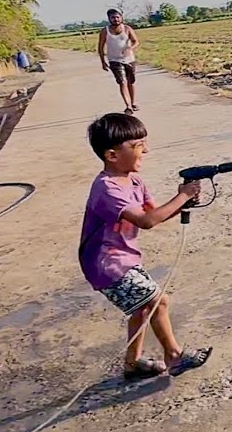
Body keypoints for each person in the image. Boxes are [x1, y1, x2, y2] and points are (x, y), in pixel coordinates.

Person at [80, 113, 212, 378]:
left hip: (124, 258)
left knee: (141, 309)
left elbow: (154, 214)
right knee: (158, 302)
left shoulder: (134, 181)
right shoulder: (107, 189)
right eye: (138, 145)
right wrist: (182, 196)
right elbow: (147, 221)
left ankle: (133, 364)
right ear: (112, 155)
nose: (146, 150)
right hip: (106, 264)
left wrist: (183, 203)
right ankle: (174, 356)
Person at [98, 8, 140, 114]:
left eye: (117, 17)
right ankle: (128, 106)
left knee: (131, 81)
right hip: (114, 60)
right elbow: (100, 47)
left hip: (129, 59)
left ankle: (133, 103)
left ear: (121, 17)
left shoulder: (127, 29)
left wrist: (130, 48)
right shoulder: (105, 31)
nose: (115, 19)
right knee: (122, 82)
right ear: (109, 18)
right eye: (113, 17)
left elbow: (136, 41)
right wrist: (103, 62)